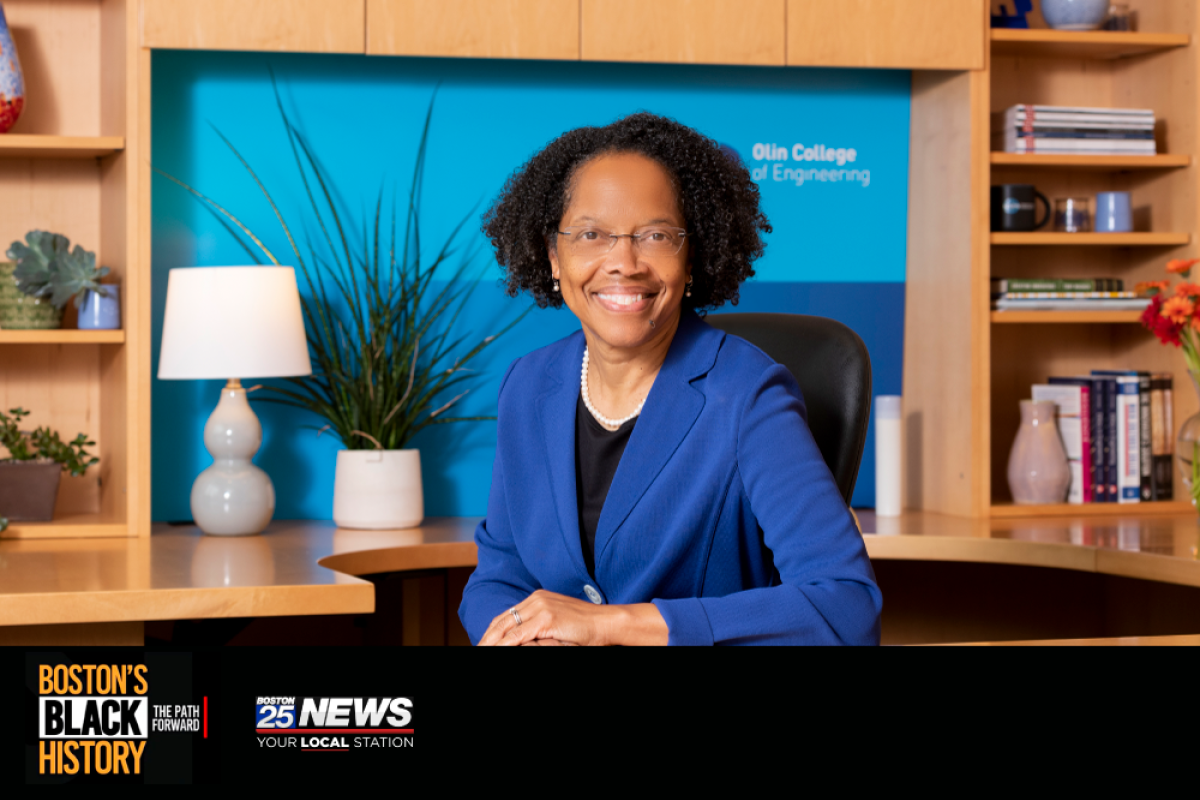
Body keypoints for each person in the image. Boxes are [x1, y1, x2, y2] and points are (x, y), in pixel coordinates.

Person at [459, 112, 881, 646]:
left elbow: (845, 606)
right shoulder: (528, 384)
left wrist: (608, 627)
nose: (624, 263)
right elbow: (498, 578)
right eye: (591, 234)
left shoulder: (747, 395)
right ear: (553, 257)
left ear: (692, 255)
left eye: (656, 235)